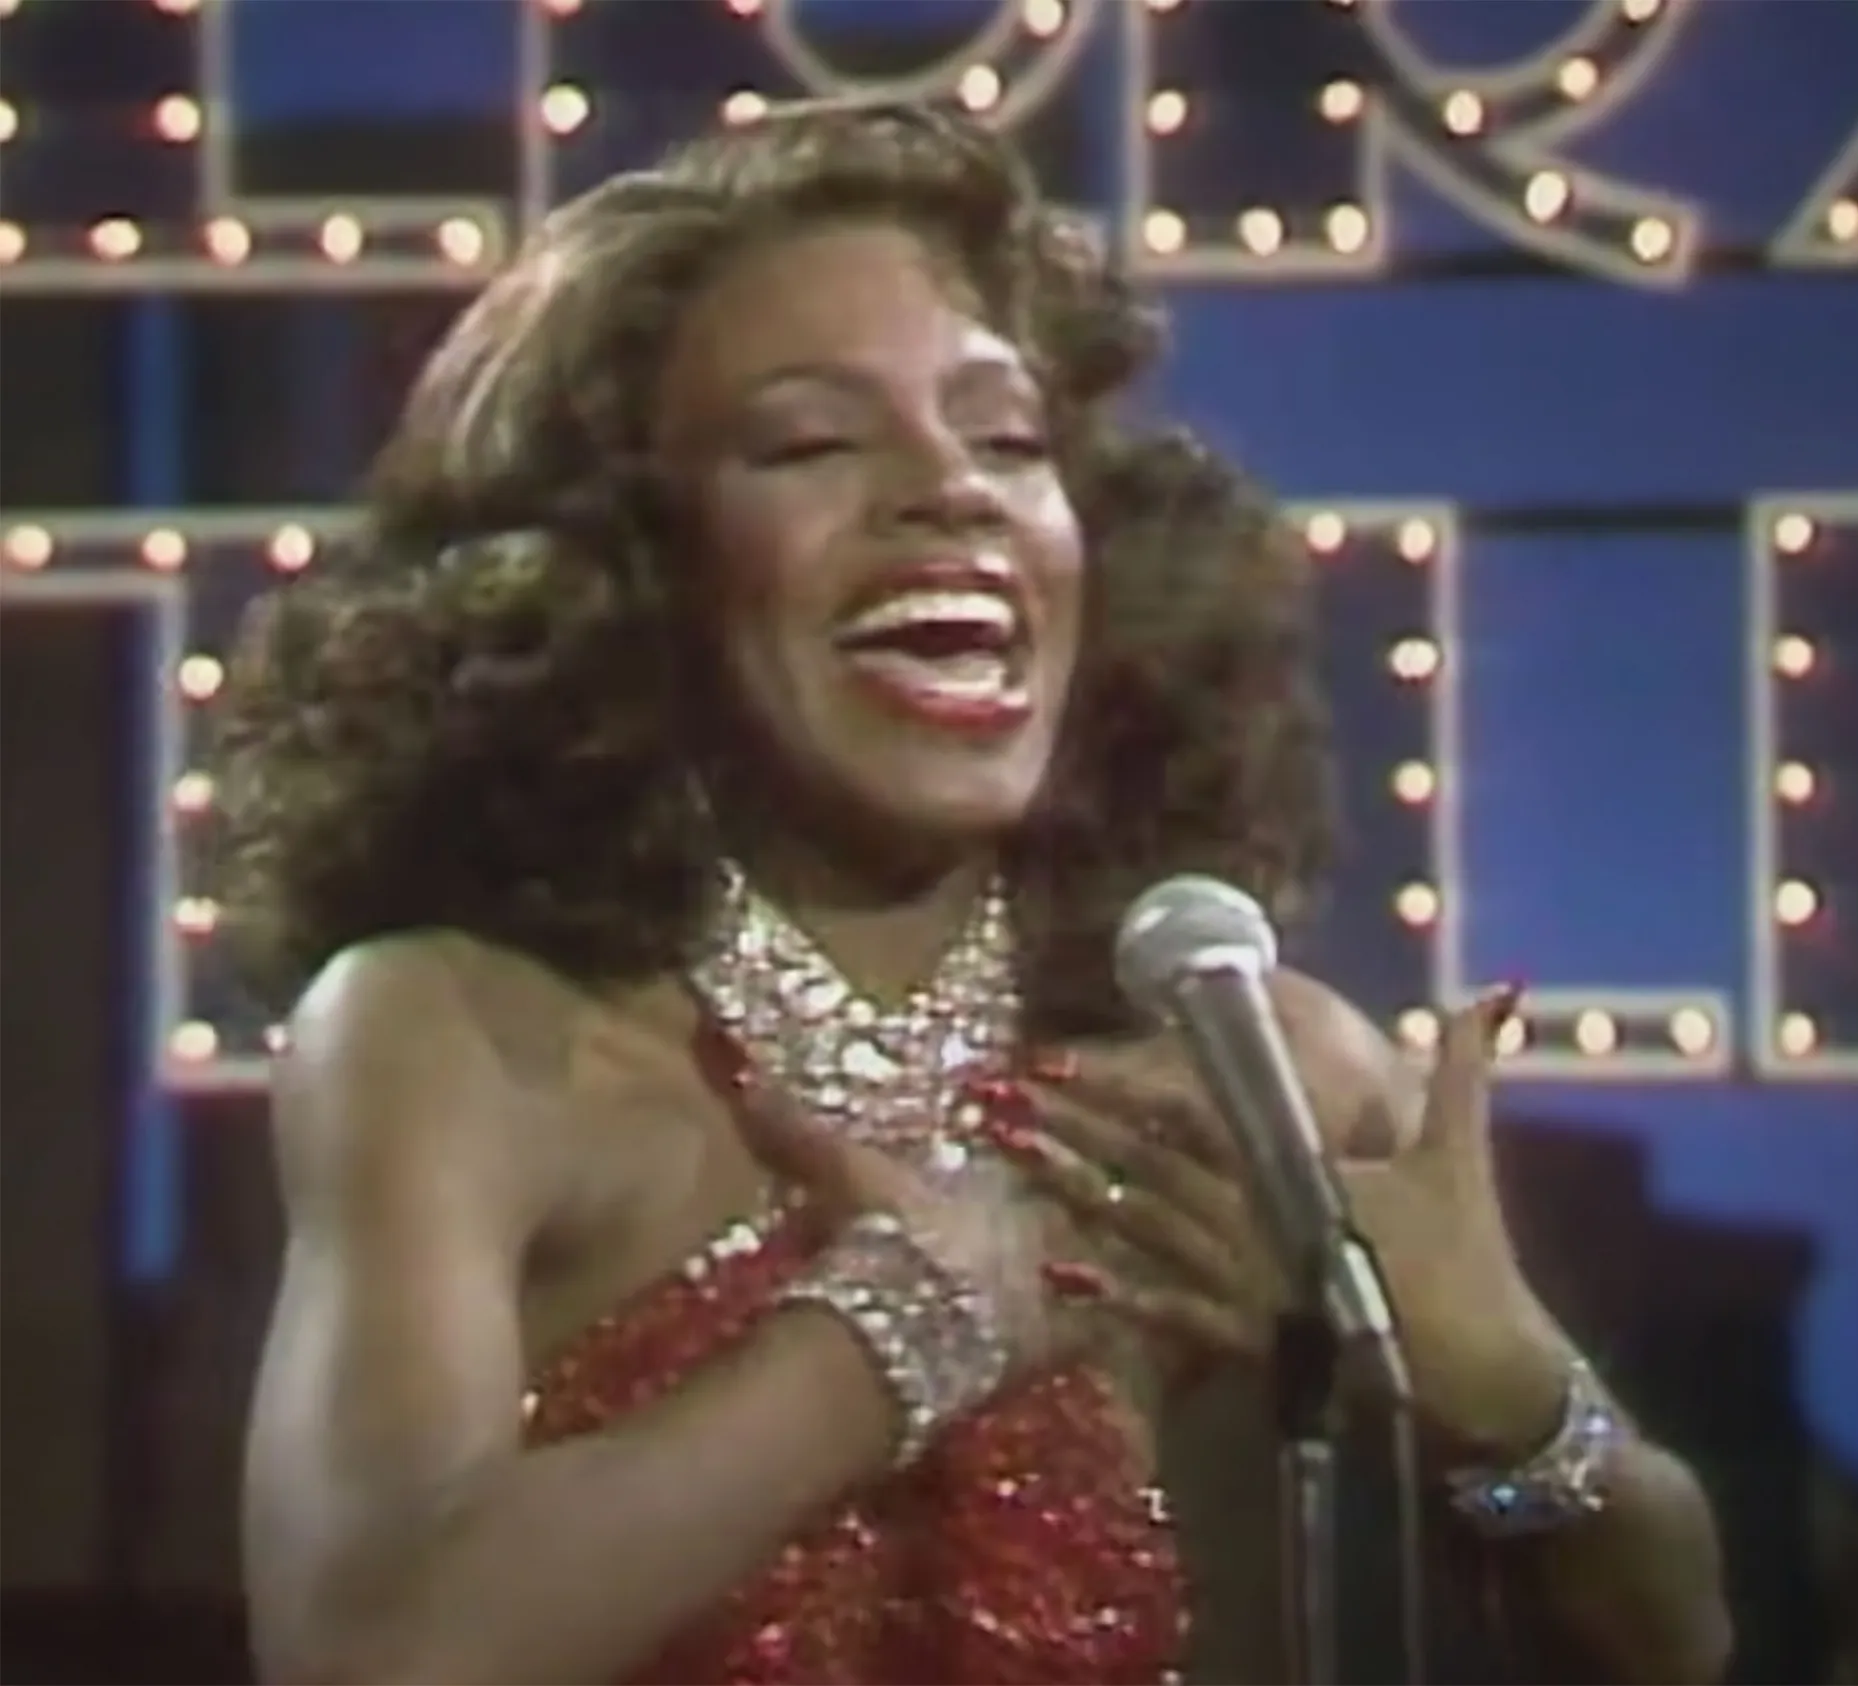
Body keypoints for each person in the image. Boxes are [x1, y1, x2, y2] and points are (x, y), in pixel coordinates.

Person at [219, 100, 1732, 1685]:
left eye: (1007, 441)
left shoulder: (1247, 1080)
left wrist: (1510, 1400)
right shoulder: (463, 1035)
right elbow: (369, 1649)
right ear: (621, 565)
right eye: (813, 443)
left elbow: (1672, 1638)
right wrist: (892, 1337)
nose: (950, 490)